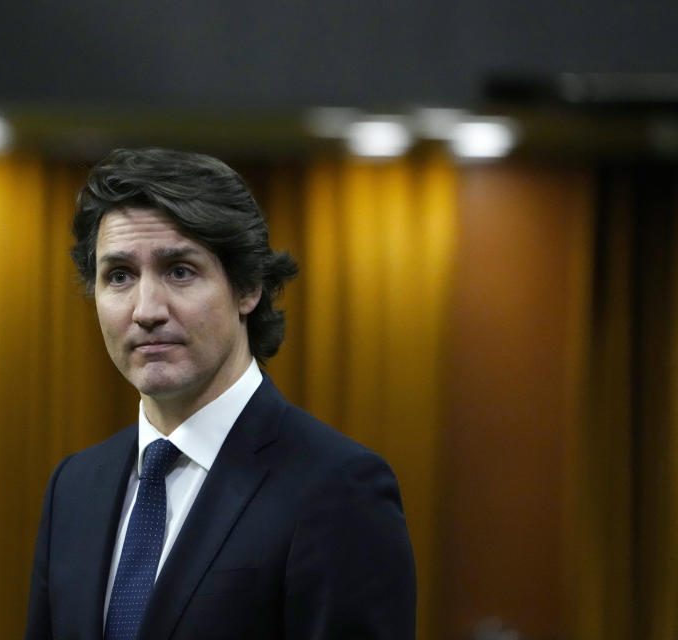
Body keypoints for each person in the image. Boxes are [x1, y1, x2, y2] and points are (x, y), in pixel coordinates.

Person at [24, 148, 416, 639]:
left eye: (180, 271)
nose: (146, 309)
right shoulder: (74, 487)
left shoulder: (337, 488)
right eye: (119, 276)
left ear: (248, 287)